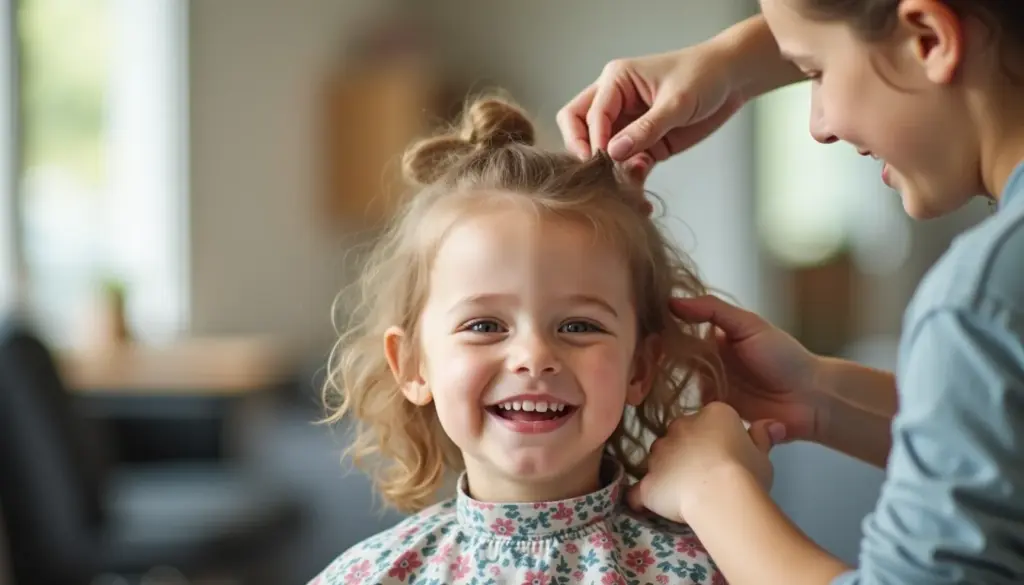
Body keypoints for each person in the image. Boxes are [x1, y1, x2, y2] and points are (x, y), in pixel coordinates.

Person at [558, 1, 1024, 584]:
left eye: (814, 71)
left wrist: (714, 491)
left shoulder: (982, 301)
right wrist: (819, 397)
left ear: (929, 37)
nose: (819, 125)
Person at [308, 95, 762, 585]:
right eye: (484, 326)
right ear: (413, 365)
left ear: (639, 368)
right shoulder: (369, 576)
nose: (534, 357)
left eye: (579, 326)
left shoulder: (720, 567)